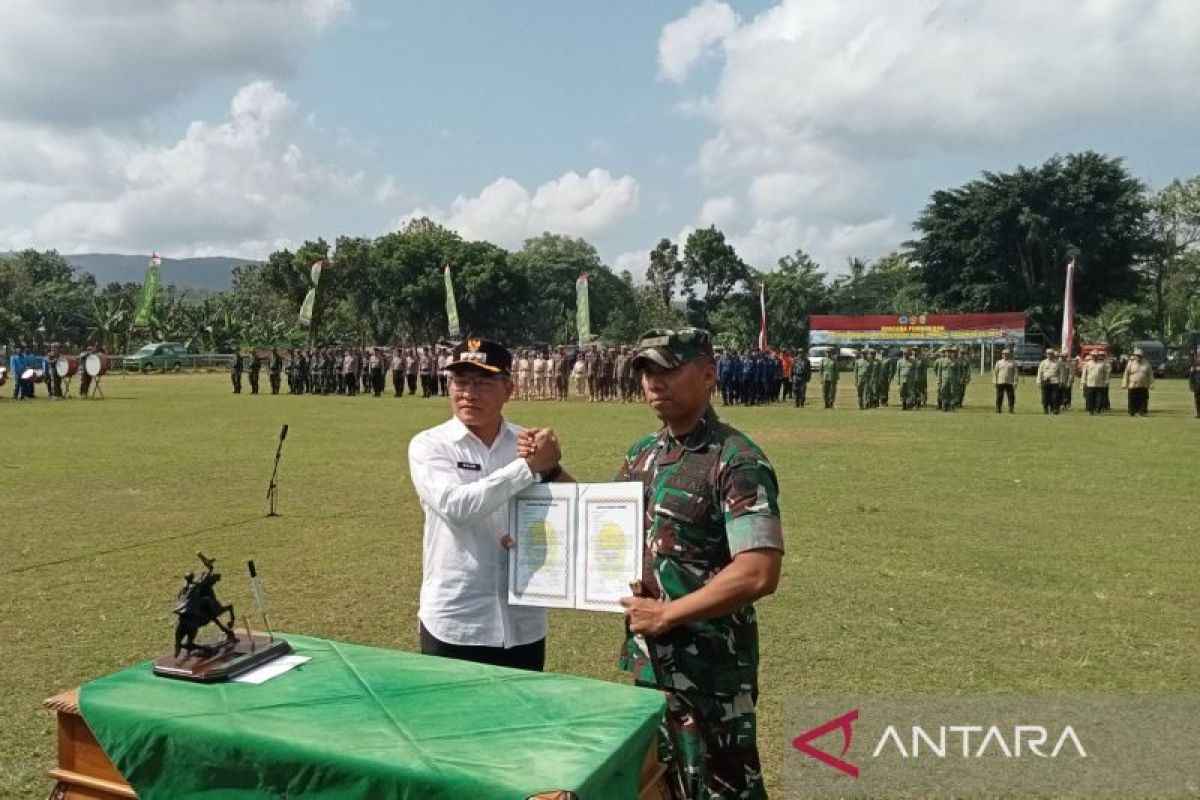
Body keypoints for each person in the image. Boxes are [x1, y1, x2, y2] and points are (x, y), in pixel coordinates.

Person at [605, 327, 783, 800]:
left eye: (667, 369)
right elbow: (603, 530)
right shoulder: (643, 455)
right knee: (658, 786)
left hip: (711, 675)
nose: (653, 381)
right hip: (651, 667)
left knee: (722, 790)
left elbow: (759, 570)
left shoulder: (736, 460)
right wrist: (548, 479)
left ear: (708, 375)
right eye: (645, 371)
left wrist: (667, 614)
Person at [407, 337, 562, 671]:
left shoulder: (527, 443)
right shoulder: (430, 445)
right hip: (457, 619)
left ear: (509, 389)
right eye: (460, 382)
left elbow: (568, 509)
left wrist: (552, 467)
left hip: (523, 620)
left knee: (523, 707)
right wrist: (527, 468)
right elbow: (456, 508)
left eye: (482, 383)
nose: (469, 393)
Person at [1121, 347, 1154, 416]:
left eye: (1139, 356)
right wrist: (1124, 383)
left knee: (1143, 400)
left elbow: (1150, 375)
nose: (1137, 357)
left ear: (1142, 356)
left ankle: (1142, 412)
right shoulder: (1130, 363)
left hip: (1143, 385)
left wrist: (1151, 384)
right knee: (1132, 399)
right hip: (1132, 385)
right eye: (1136, 355)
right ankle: (1132, 412)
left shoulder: (1147, 364)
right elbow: (1126, 374)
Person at [1081, 351, 1111, 415]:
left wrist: (1106, 381)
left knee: (1099, 399)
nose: (1094, 357)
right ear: (1091, 356)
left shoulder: (1102, 364)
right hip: (1090, 384)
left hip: (1100, 384)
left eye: (1096, 355)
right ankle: (1091, 410)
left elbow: (1106, 374)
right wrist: (1083, 381)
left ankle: (1098, 410)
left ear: (1098, 356)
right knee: (1090, 398)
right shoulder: (1088, 364)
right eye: (1093, 355)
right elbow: (1084, 374)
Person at [992, 348, 1018, 413]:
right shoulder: (999, 362)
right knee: (999, 396)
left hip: (1010, 382)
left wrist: (1015, 382)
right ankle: (998, 408)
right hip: (1000, 382)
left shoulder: (1013, 363)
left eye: (1006, 354)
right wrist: (994, 381)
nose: (1005, 355)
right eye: (1003, 354)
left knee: (1011, 396)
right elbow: (995, 372)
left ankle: (1011, 408)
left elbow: (1016, 373)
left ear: (1009, 354)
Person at [1036, 348, 1061, 414]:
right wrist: (1038, 381)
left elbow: (1061, 373)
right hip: (1045, 381)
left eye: (1051, 354)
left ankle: (1054, 409)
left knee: (1055, 396)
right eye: (1048, 354)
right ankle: (1045, 409)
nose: (1049, 355)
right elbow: (1040, 372)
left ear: (1053, 354)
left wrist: (1061, 381)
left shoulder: (1057, 363)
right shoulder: (1043, 362)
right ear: (1046, 354)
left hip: (1055, 381)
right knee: (1045, 397)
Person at [1190, 351, 1200, 419]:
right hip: (1197, 385)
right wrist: (1191, 385)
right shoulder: (1194, 364)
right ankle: (1198, 413)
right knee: (1197, 400)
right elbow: (1191, 376)